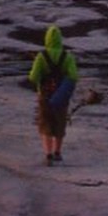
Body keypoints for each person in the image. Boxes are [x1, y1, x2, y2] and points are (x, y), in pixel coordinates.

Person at [28, 25, 78, 166]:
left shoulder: (41, 56)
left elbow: (33, 77)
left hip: (45, 95)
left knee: (46, 125)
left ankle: (48, 155)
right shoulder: (67, 56)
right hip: (61, 96)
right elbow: (74, 75)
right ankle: (58, 152)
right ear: (60, 39)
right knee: (60, 123)